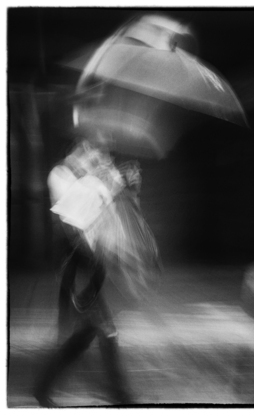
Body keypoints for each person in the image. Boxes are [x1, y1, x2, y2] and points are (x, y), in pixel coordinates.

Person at [34, 137, 161, 407]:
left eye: (97, 152)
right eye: (88, 150)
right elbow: (73, 224)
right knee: (104, 330)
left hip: (95, 265)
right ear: (74, 152)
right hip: (78, 264)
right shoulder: (61, 175)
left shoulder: (94, 178)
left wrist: (129, 186)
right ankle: (120, 396)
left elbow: (119, 213)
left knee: (87, 334)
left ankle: (44, 387)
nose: (95, 155)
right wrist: (100, 184)